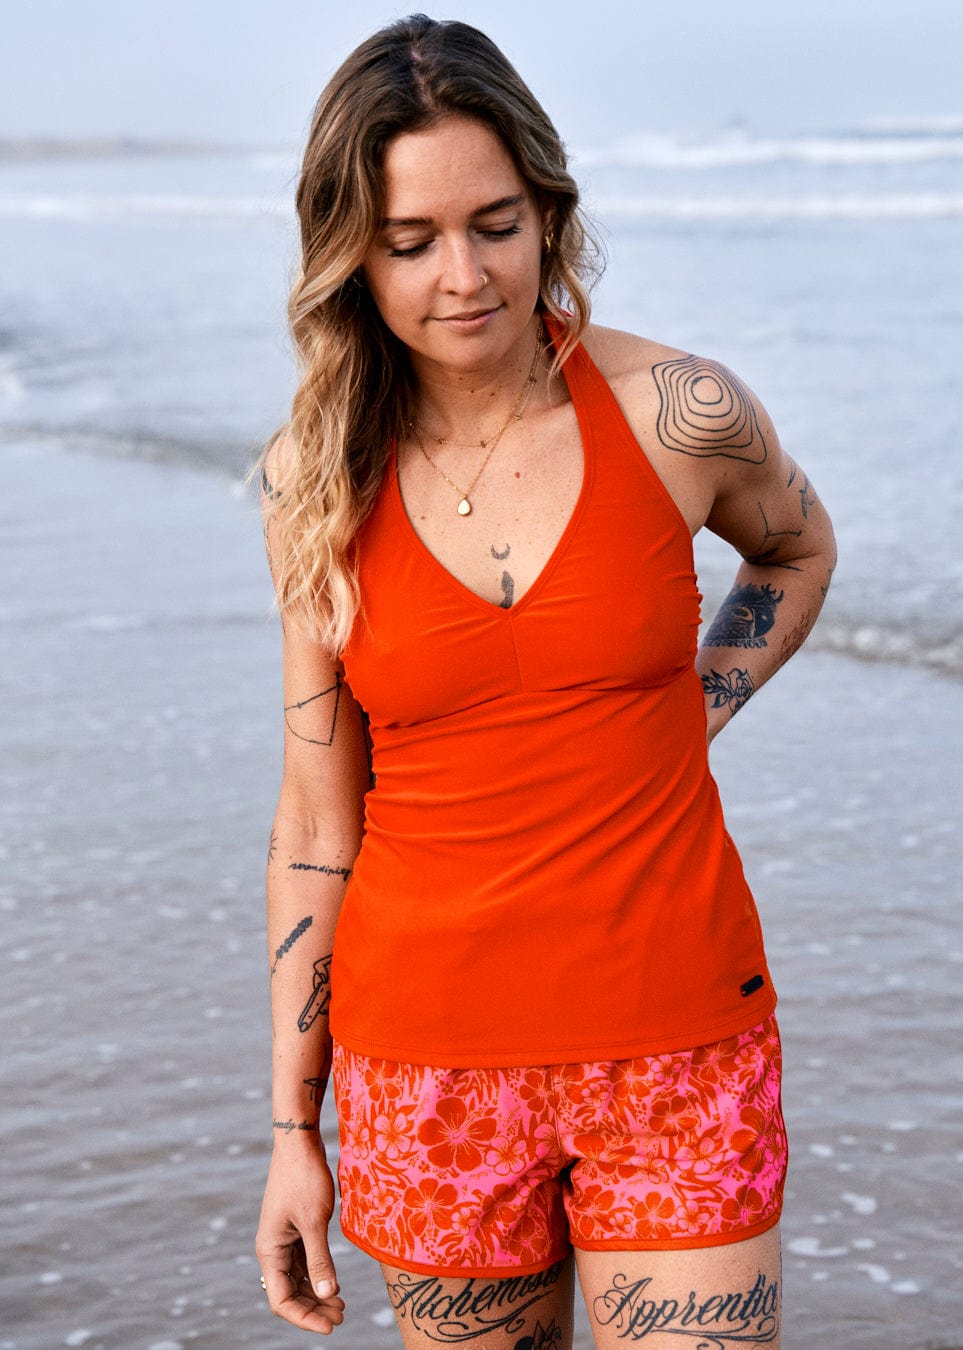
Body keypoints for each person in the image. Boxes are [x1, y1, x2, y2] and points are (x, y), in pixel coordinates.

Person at [254, 15, 836, 1347]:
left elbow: (797, 546)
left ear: (549, 210)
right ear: (353, 254)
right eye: (410, 243)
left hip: (681, 1042)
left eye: (497, 223)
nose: (464, 275)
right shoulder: (316, 476)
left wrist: (696, 707)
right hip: (428, 1073)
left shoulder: (677, 409)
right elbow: (314, 823)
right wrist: (293, 1131)